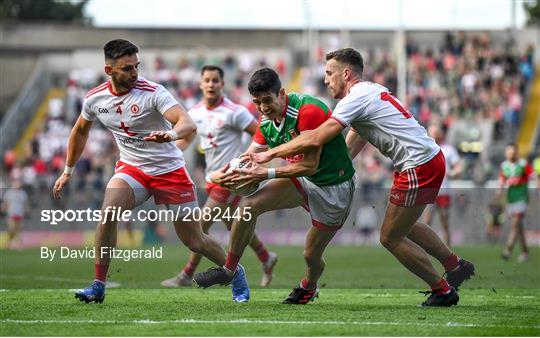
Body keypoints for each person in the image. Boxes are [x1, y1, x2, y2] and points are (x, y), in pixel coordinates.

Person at [250, 49, 475, 307]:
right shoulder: (370, 91)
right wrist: (339, 168)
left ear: (345, 74)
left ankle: (443, 290)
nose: (326, 80)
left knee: (390, 237)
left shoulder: (353, 99)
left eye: (329, 73)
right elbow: (356, 138)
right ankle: (454, 265)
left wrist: (269, 155)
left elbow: (314, 138)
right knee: (406, 225)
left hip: (418, 164)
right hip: (426, 159)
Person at [52, 39, 249, 303]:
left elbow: (187, 124)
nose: (135, 73)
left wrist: (169, 134)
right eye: (127, 68)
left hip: (169, 170)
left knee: (194, 240)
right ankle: (98, 285)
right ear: (109, 70)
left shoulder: (154, 91)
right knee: (108, 213)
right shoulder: (94, 98)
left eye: (137, 66)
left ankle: (236, 272)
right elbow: (79, 130)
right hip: (132, 169)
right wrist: (68, 170)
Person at [193, 68, 356, 304]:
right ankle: (230, 270)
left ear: (281, 93)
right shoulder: (266, 120)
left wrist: (265, 173)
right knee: (248, 205)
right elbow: (248, 157)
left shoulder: (308, 111)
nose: (263, 108)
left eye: (267, 100)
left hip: (333, 186)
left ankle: (309, 286)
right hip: (301, 180)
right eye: (257, 102)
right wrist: (222, 174)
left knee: (311, 255)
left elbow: (310, 165)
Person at [161, 65, 277, 288]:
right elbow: (188, 138)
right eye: (207, 80)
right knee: (236, 225)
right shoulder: (194, 113)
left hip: (232, 178)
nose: (211, 84)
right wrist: (170, 149)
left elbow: (261, 134)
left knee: (200, 225)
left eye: (216, 80)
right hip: (211, 178)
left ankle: (186, 275)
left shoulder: (235, 112)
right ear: (201, 84)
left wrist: (252, 163)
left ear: (222, 84)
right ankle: (266, 257)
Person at [422, 124, 463, 247]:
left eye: (436, 132)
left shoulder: (448, 150)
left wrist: (453, 173)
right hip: (428, 191)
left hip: (443, 191)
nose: (434, 135)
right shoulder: (423, 148)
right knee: (426, 222)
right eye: (432, 132)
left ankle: (448, 251)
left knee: (445, 223)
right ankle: (425, 249)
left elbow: (458, 167)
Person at [499, 144, 535, 262]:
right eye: (509, 153)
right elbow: (502, 181)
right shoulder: (504, 166)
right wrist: (499, 190)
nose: (511, 155)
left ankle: (508, 250)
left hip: (521, 199)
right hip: (510, 200)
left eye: (513, 153)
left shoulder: (523, 164)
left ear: (516, 153)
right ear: (506, 154)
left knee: (515, 224)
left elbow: (533, 175)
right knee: (519, 228)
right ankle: (525, 253)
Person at [2, 180, 28, 249]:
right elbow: (5, 203)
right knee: (12, 229)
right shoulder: (9, 193)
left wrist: (25, 211)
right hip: (11, 213)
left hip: (20, 214)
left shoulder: (23, 193)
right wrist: (5, 210)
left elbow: (25, 204)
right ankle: (9, 243)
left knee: (18, 230)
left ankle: (18, 244)